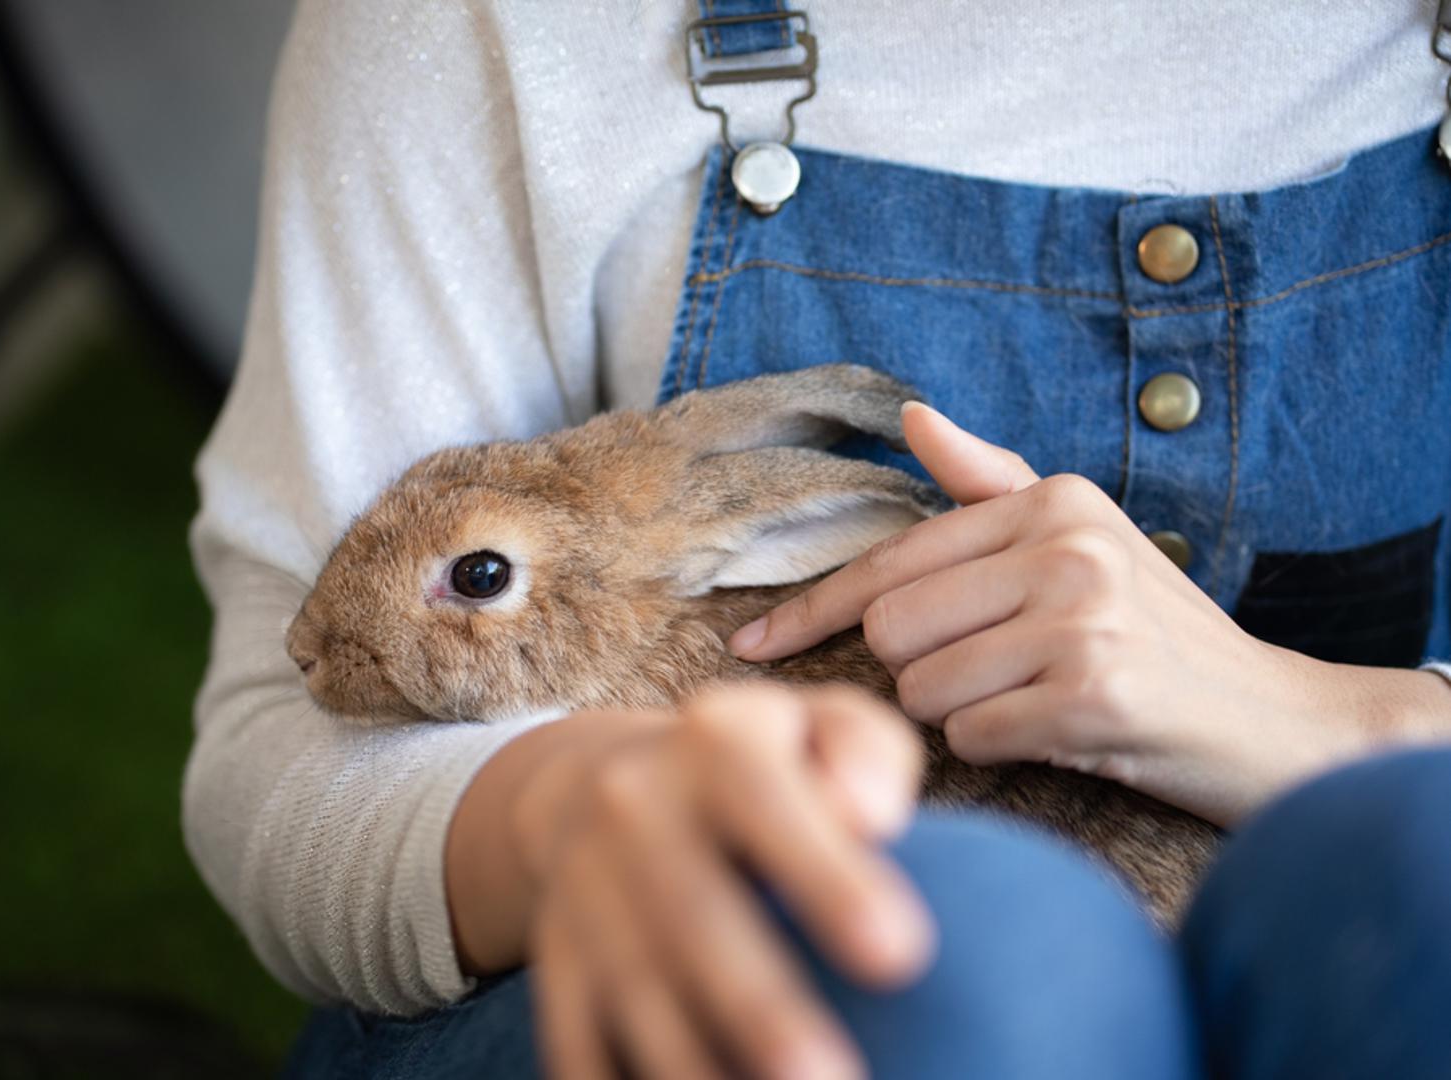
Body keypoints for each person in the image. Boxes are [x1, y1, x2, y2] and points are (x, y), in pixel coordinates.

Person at [185, 2, 1451, 1077]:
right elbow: (274, 731)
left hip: (1310, 876)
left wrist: (1340, 722)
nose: (324, 633)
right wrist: (563, 812)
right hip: (729, 948)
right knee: (954, 953)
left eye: (473, 579)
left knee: (1418, 870)